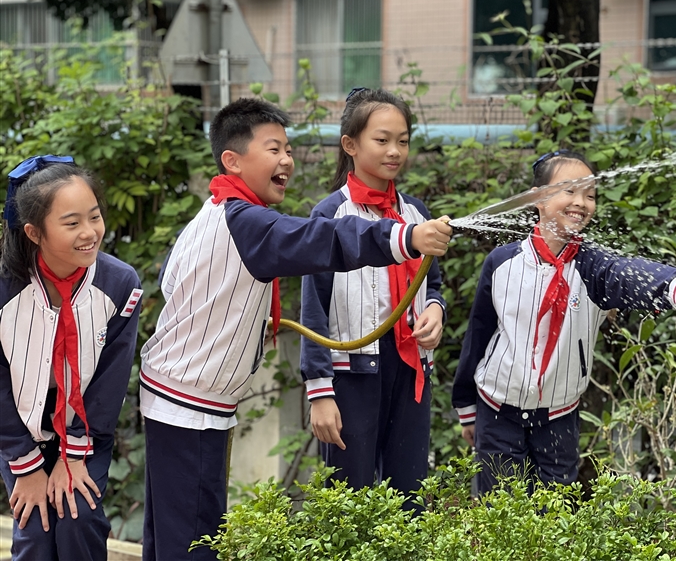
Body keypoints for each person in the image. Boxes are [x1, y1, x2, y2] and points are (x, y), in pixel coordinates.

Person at [139, 97, 451, 561]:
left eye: (287, 149)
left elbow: (172, 280)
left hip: (186, 397)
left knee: (178, 532)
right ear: (233, 160)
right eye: (273, 149)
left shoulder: (220, 211)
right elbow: (318, 239)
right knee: (194, 535)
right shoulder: (243, 219)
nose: (286, 159)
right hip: (190, 402)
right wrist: (403, 238)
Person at [452, 150, 676, 495]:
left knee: (556, 510)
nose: (582, 202)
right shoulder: (502, 263)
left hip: (559, 416)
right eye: (570, 191)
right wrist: (467, 406)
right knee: (497, 510)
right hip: (498, 411)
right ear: (538, 198)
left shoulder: (593, 267)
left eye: (590, 195)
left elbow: (630, 274)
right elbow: (480, 334)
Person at [300, 88, 446, 510]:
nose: (395, 151)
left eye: (402, 140)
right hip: (351, 373)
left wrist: (435, 311)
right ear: (350, 144)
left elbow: (431, 285)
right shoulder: (328, 216)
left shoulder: (417, 213)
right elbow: (313, 310)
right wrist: (319, 392)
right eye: (382, 140)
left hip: (410, 368)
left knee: (412, 497)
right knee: (349, 503)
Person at [0, 156, 143, 561]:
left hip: (85, 425)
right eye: (71, 223)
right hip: (15, 425)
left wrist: (73, 455)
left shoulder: (119, 283)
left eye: (94, 217)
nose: (89, 233)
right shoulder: (6, 287)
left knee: (79, 517)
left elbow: (109, 381)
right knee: (35, 528)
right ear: (34, 232)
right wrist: (25, 466)